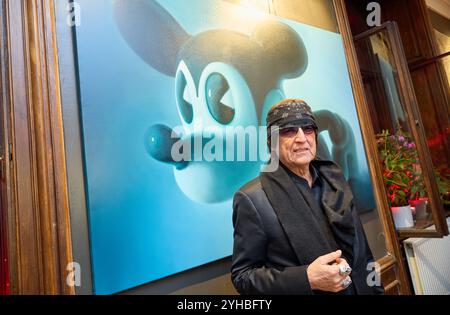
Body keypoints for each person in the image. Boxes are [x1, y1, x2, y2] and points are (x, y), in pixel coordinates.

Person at [231, 99, 384, 295]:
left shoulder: (335, 179)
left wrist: (378, 291)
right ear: (271, 142)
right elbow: (242, 276)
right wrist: (307, 279)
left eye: (308, 129)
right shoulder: (252, 199)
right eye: (289, 131)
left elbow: (364, 253)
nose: (302, 138)